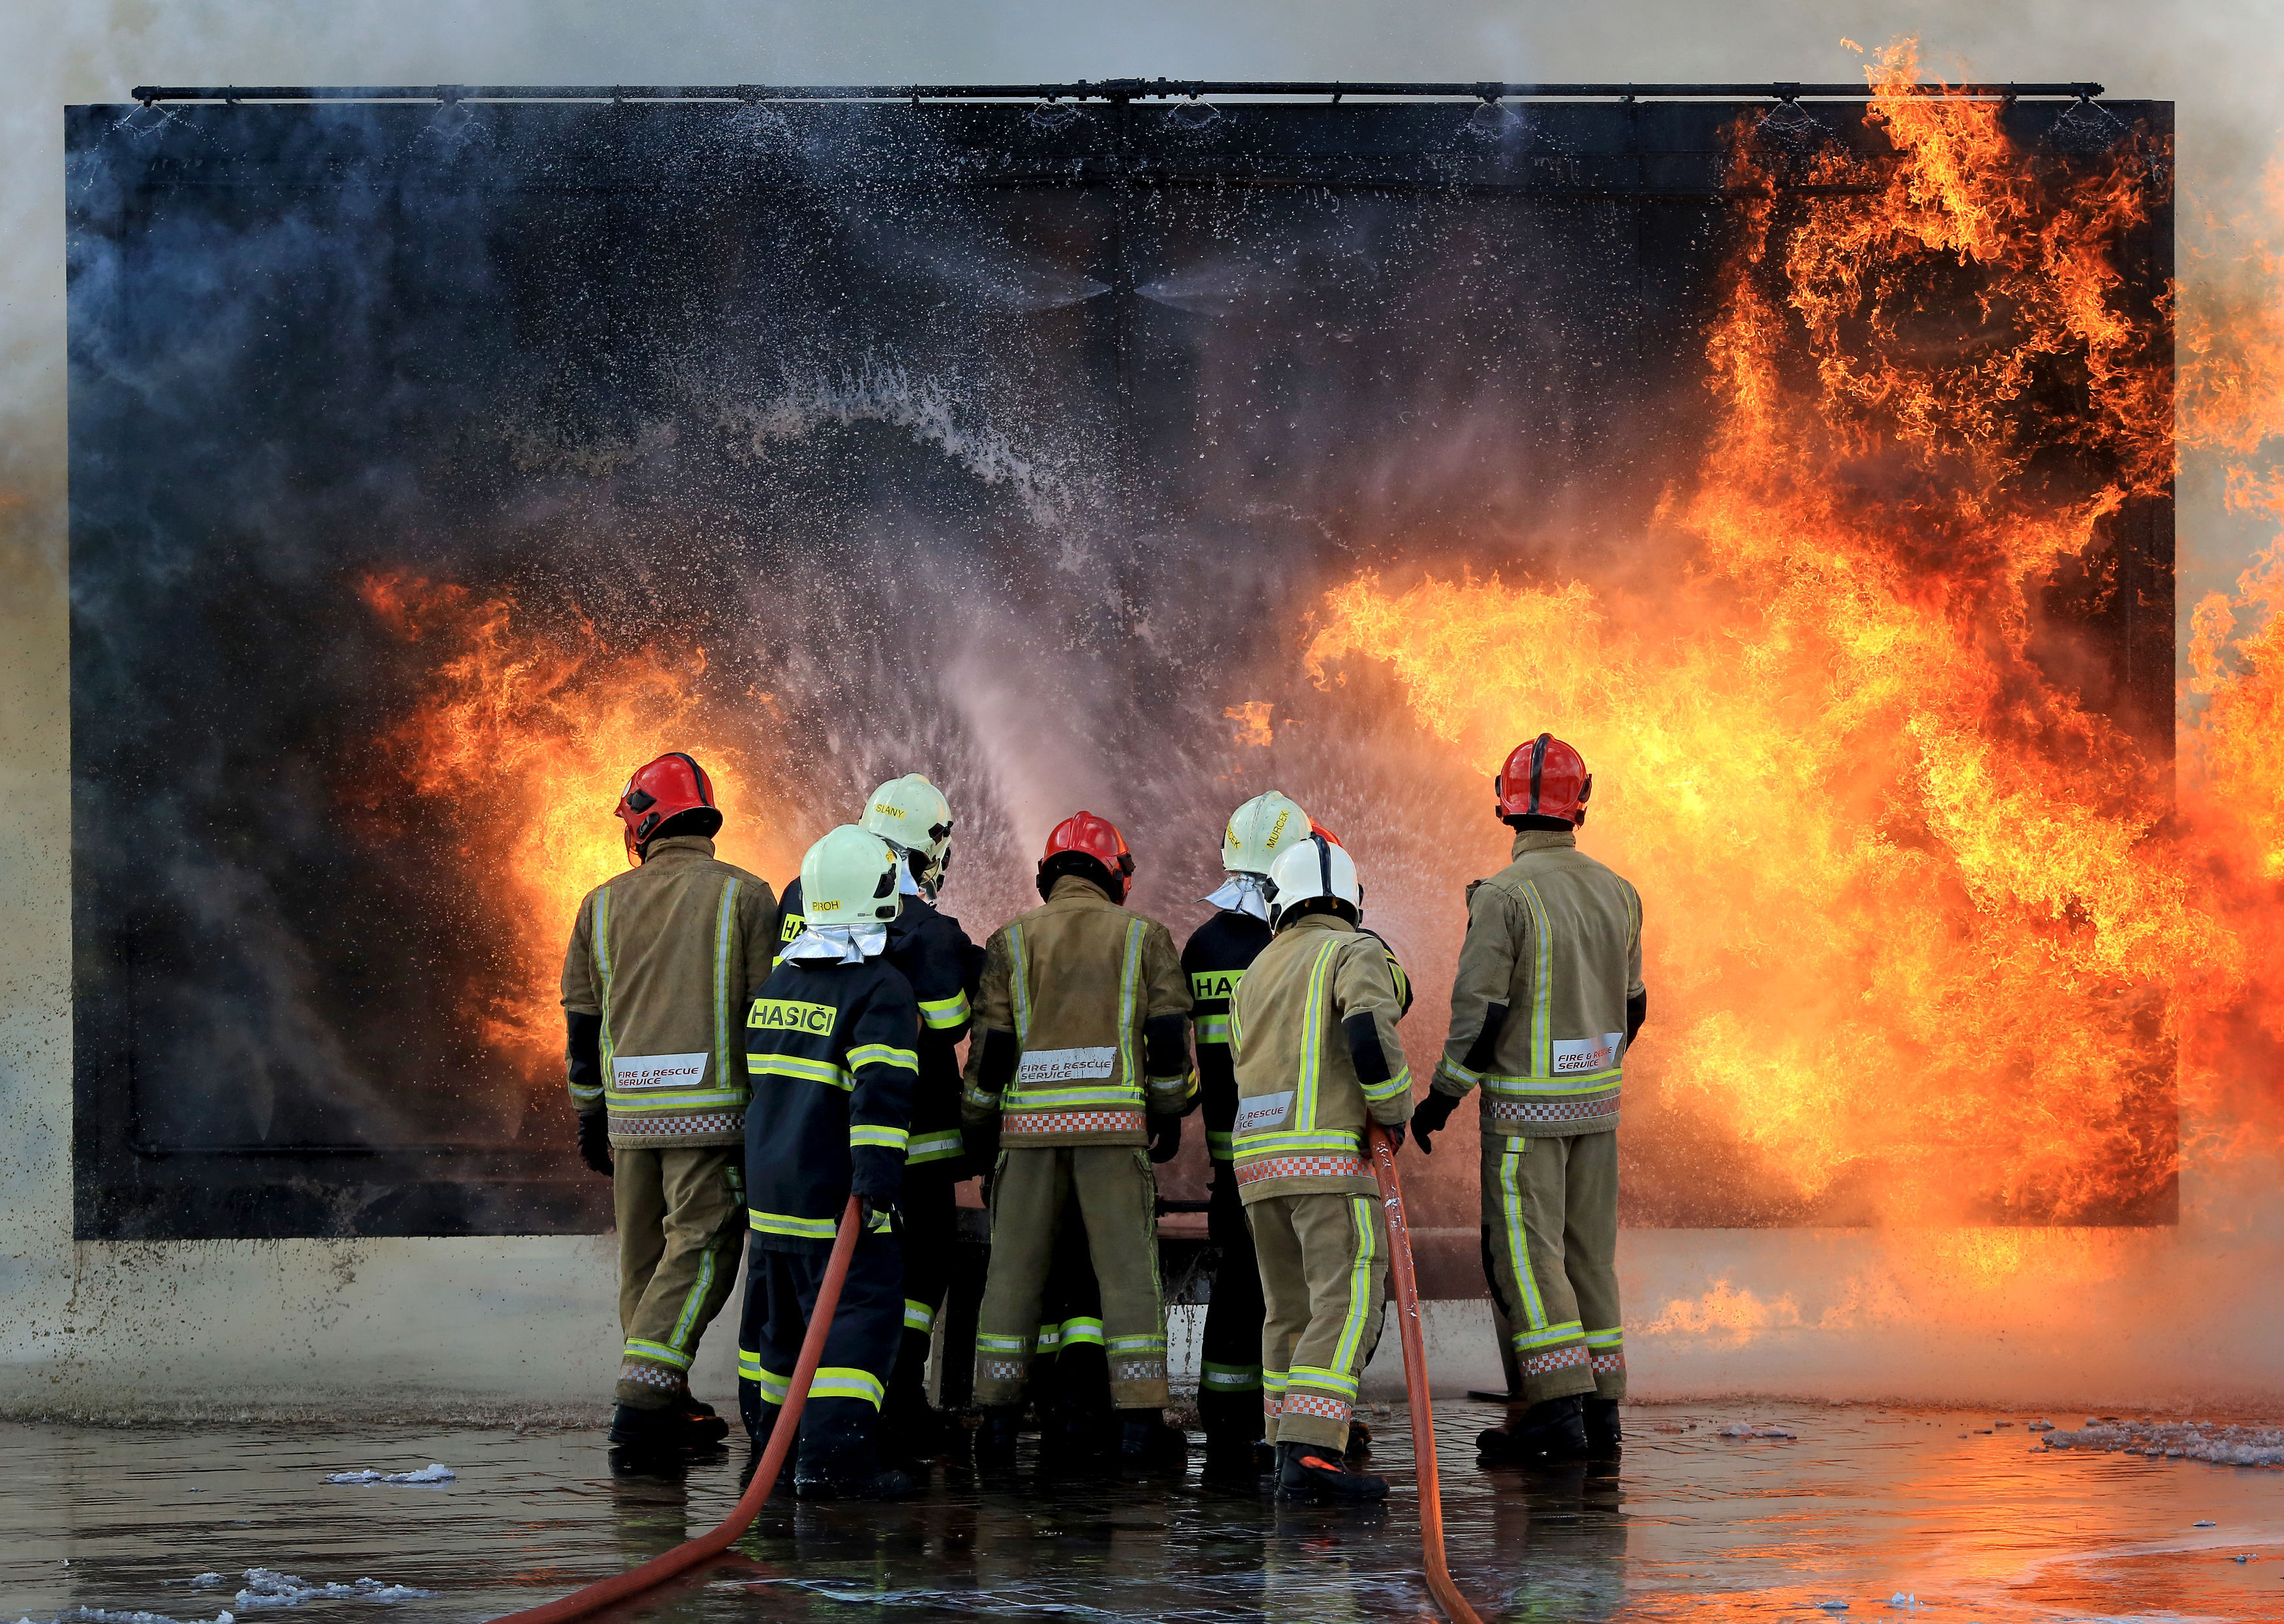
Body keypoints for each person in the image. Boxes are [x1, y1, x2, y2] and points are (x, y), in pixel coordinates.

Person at [1410, 733, 1646, 1463]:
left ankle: (1555, 1410)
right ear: (1580, 803)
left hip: (1522, 1120)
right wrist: (1589, 1070)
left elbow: (1481, 1012)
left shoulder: (1503, 896)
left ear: (1503, 805)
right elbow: (1633, 1006)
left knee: (1525, 1255)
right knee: (1586, 1256)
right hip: (1596, 1112)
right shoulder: (1618, 891)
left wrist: (1441, 1096)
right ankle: (1602, 1411)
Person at [960, 810, 1196, 1472]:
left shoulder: (1010, 941)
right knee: (1126, 1279)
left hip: (1026, 1140)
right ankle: (1139, 1432)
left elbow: (991, 1049)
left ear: (1047, 874)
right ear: (1115, 877)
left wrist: (978, 1130)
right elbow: (1170, 1037)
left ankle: (997, 1428)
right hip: (1114, 1137)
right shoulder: (1144, 937)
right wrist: (1168, 1111)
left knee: (1011, 1278)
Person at [561, 752, 778, 1451]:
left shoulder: (598, 903)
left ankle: (665, 1399)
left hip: (630, 1119)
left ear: (646, 823)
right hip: (713, 1116)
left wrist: (591, 1112)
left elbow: (581, 1021)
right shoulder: (746, 896)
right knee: (704, 1245)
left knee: (644, 1260)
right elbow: (764, 1014)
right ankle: (641, 1397)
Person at [769, 774, 980, 1468]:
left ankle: (794, 1423)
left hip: (810, 1124)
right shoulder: (927, 925)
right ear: (927, 850)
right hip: (900, 1128)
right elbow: (949, 1022)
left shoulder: (801, 891)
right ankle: (894, 1397)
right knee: (912, 1266)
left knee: (797, 1285)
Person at [737, 824, 921, 1499]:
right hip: (833, 1203)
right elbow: (881, 1092)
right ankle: (834, 1462)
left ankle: (772, 1458)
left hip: (771, 1199)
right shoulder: (880, 989)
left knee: (776, 1336)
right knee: (856, 1325)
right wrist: (877, 1184)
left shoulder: (776, 982)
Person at [1231, 832, 1413, 1501]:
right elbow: (1368, 1027)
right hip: (1329, 1166)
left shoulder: (1255, 970)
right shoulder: (1354, 948)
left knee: (1287, 1310)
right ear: (1351, 901)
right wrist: (1394, 1108)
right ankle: (1310, 1457)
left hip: (1258, 1166)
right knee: (1344, 1303)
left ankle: (1283, 1444)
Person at [1181, 789, 1316, 1479]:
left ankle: (1224, 1418)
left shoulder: (1202, 945)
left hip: (1231, 1158)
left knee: (1236, 1286)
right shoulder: (1291, 943)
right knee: (1303, 1292)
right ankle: (1297, 1419)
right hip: (1297, 1155)